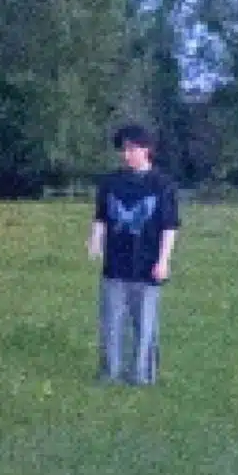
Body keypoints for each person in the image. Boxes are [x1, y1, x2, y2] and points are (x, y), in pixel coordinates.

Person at [87, 123, 180, 385]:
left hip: (147, 266)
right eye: (123, 149)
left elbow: (169, 226)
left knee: (145, 325)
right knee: (110, 323)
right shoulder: (111, 183)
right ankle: (110, 373)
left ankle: (142, 375)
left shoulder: (163, 185)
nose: (126, 154)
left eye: (131, 149)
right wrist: (95, 240)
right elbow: (101, 217)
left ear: (146, 149)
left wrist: (163, 261)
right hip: (115, 265)